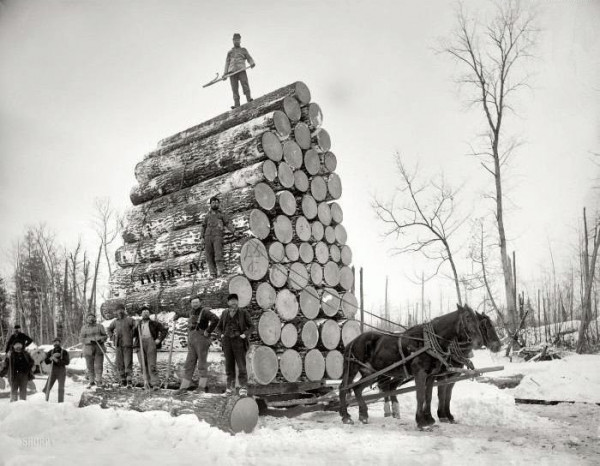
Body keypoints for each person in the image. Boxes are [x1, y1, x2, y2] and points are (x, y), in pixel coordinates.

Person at [177, 297, 219, 394]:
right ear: (191, 304)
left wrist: (208, 331)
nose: (195, 304)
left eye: (196, 302)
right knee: (189, 363)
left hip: (201, 340)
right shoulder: (191, 312)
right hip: (192, 339)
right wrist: (178, 315)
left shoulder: (204, 311)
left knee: (201, 364)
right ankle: (183, 387)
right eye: (193, 302)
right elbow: (185, 314)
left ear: (200, 303)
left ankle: (202, 387)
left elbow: (215, 319)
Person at [215, 293, 254, 396]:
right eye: (231, 300)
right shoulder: (224, 313)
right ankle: (230, 388)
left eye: (235, 300)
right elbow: (218, 327)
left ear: (237, 302)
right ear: (228, 302)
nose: (233, 302)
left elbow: (252, 327)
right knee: (229, 366)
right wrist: (222, 335)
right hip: (227, 342)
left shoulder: (243, 313)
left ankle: (243, 388)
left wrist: (244, 335)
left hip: (239, 342)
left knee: (241, 366)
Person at [133, 306, 168, 390]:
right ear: (141, 314)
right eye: (144, 312)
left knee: (151, 364)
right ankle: (146, 383)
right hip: (140, 344)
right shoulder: (138, 323)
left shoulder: (154, 323)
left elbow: (164, 330)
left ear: (149, 314)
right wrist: (135, 326)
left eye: (147, 312)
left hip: (151, 343)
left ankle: (155, 384)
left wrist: (159, 339)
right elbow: (132, 334)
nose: (145, 313)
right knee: (143, 365)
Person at [199, 196, 234, 278]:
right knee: (209, 256)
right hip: (207, 237)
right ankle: (212, 273)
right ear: (210, 204)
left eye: (216, 202)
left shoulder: (221, 215)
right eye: (213, 202)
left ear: (219, 204)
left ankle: (221, 271)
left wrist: (234, 231)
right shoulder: (207, 216)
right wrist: (201, 237)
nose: (215, 204)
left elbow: (228, 223)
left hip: (217, 236)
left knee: (218, 254)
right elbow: (203, 226)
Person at [223, 32, 255, 109]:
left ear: (240, 41)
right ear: (232, 41)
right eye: (235, 40)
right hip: (232, 72)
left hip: (241, 70)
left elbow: (249, 58)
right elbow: (227, 62)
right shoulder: (230, 52)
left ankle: (249, 99)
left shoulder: (243, 50)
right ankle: (237, 104)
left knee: (245, 84)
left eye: (238, 40)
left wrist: (252, 63)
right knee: (234, 88)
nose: (236, 41)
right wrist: (225, 73)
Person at [107, 304, 136, 387]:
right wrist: (112, 337)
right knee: (120, 363)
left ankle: (129, 380)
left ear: (124, 310)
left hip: (127, 344)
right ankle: (123, 380)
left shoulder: (129, 320)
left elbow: (136, 325)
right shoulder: (115, 322)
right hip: (118, 345)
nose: (120, 311)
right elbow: (109, 329)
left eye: (121, 309)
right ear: (116, 312)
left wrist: (132, 333)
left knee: (128, 362)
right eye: (118, 310)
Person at [79, 312, 108, 388]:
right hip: (88, 349)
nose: (91, 319)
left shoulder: (100, 326)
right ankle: (91, 381)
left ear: (95, 318)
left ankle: (99, 381)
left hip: (99, 348)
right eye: (89, 317)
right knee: (89, 366)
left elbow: (105, 336)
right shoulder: (84, 328)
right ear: (86, 319)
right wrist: (89, 340)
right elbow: (81, 339)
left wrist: (100, 339)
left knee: (99, 365)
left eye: (92, 317)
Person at [43, 337, 70, 402]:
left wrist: (56, 360)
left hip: (61, 371)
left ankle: (60, 403)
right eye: (54, 342)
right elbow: (46, 361)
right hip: (53, 371)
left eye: (57, 342)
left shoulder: (64, 352)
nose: (56, 343)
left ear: (60, 343)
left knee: (61, 388)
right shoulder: (50, 352)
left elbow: (67, 362)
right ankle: (44, 401)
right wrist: (51, 358)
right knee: (47, 387)